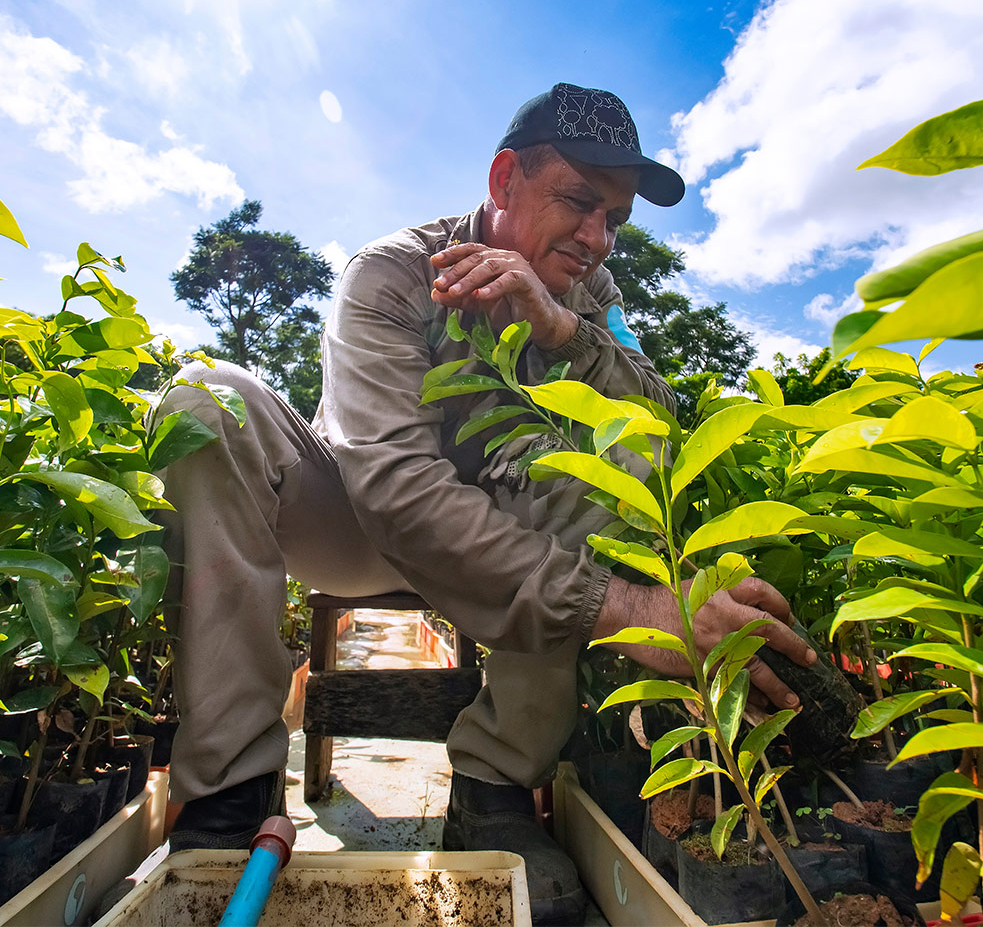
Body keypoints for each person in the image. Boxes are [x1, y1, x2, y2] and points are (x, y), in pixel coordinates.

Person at [160, 83, 816, 925]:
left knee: (619, 447)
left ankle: (494, 786)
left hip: (506, 538)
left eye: (614, 218)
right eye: (579, 202)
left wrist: (562, 332)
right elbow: (394, 488)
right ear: (505, 180)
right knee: (206, 401)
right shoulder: (392, 273)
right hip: (354, 526)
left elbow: (656, 412)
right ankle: (229, 793)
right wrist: (635, 610)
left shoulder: (596, 296)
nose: (596, 237)